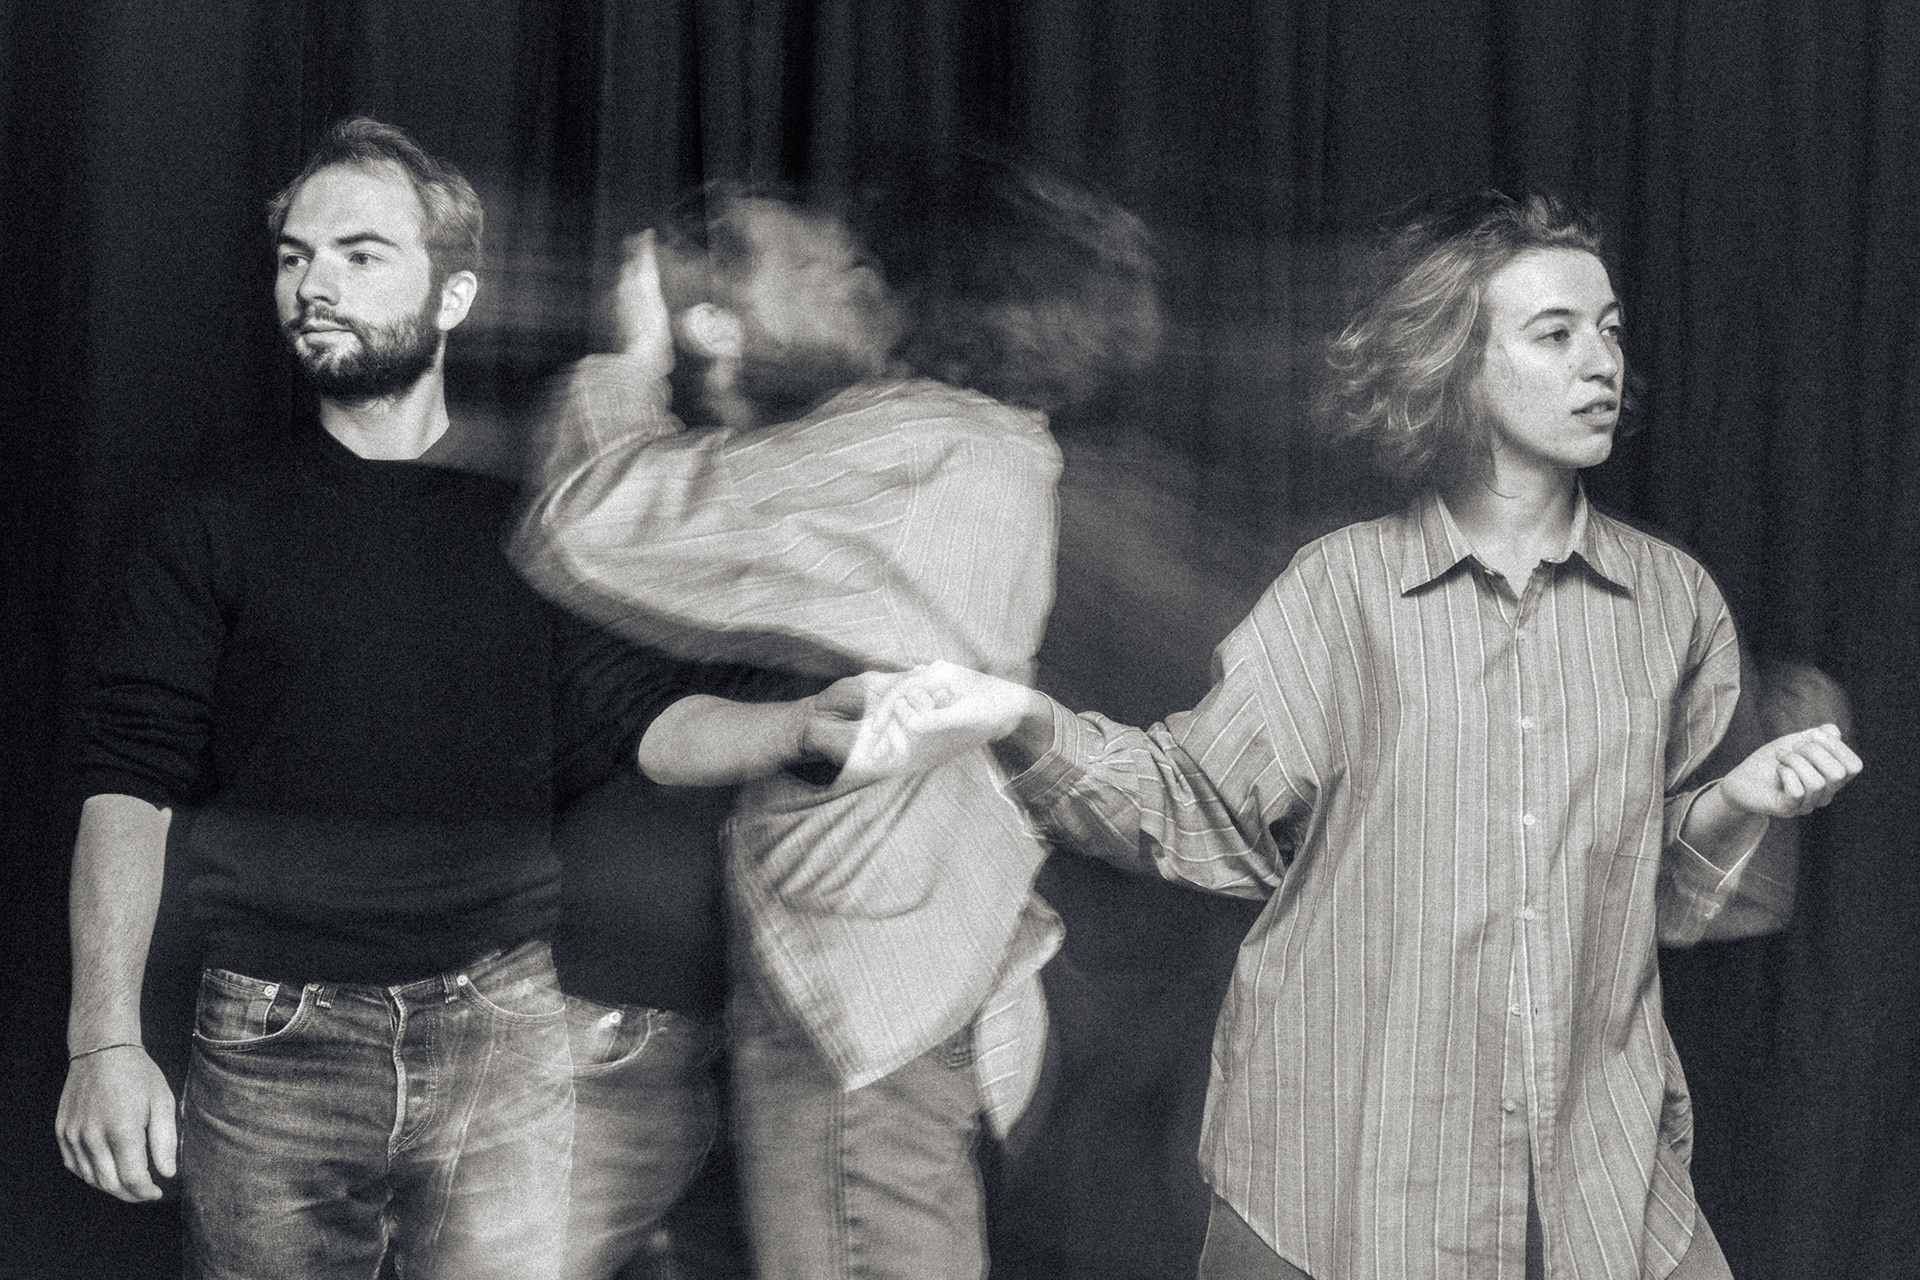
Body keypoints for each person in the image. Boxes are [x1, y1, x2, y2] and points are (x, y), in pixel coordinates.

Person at [885, 191, 1863, 1280]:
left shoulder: (1665, 604)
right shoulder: (1300, 579)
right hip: (1306, 1163)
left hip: (1577, 1180)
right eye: (1555, 333)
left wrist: (1744, 791)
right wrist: (1021, 722)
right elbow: (1195, 797)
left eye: (1610, 329)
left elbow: (1672, 895)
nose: (1601, 362)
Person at [54, 117, 866, 1280]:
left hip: (503, 1029)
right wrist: (102, 1040)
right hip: (275, 1040)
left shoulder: (537, 521)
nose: (314, 285)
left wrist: (800, 725)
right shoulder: (213, 523)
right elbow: (130, 781)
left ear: (454, 294)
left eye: (360, 253)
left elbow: (645, 723)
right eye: (294, 256)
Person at [511, 166, 1161, 1280]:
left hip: (864, 1000)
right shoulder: (993, 449)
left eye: (857, 265)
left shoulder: (916, 448)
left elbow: (591, 522)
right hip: (899, 973)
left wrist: (627, 361)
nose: (848, 281)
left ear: (920, 296)